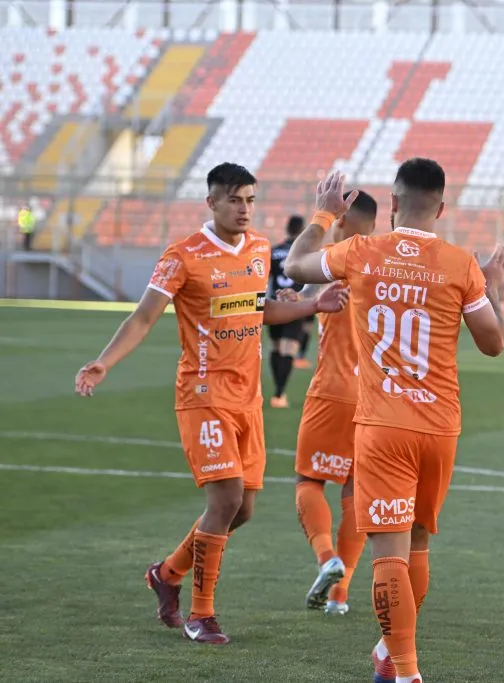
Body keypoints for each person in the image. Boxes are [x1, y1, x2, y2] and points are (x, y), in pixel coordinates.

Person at [73, 163, 347, 645]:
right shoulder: (183, 256)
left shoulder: (260, 248)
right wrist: (103, 362)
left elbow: (258, 311)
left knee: (241, 511)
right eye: (234, 200)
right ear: (212, 203)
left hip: (248, 399)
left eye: (250, 200)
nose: (244, 209)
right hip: (203, 396)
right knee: (225, 499)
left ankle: (167, 573)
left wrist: (311, 305)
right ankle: (202, 614)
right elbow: (143, 317)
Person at [283, 159, 504, 683]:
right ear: (443, 206)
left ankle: (405, 670)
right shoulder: (459, 264)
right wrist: (493, 284)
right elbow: (494, 343)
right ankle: (389, 652)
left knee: (388, 550)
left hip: (382, 425)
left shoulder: (361, 251)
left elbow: (296, 266)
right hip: (439, 427)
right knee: (419, 544)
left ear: (391, 203)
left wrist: (323, 212)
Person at [293, 191, 378, 616]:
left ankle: (327, 559)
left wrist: (323, 214)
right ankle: (340, 597)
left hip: (332, 389)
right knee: (353, 492)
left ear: (343, 219)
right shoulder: (387, 267)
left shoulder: (334, 258)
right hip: (374, 401)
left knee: (309, 481)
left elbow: (297, 266)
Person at [267, 214, 307, 408]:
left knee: (275, 348)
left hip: (274, 304)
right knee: (289, 349)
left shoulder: (273, 252)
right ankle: (279, 393)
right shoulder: (303, 253)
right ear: (301, 230)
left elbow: (265, 279)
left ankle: (277, 388)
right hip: (294, 306)